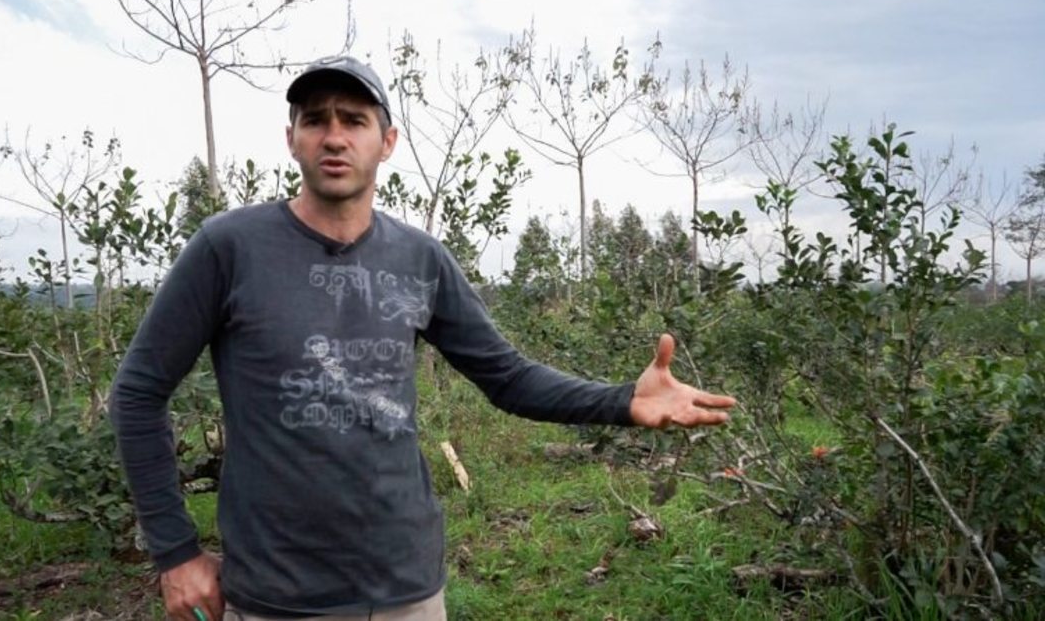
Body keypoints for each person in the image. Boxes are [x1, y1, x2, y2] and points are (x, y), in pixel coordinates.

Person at [110, 55, 735, 621]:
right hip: (280, 592)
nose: (334, 135)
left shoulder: (419, 258)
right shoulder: (230, 248)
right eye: (315, 119)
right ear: (292, 139)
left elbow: (507, 377)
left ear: (386, 142)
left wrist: (623, 399)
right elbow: (138, 394)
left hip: (406, 584)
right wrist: (175, 552)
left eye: (354, 120)